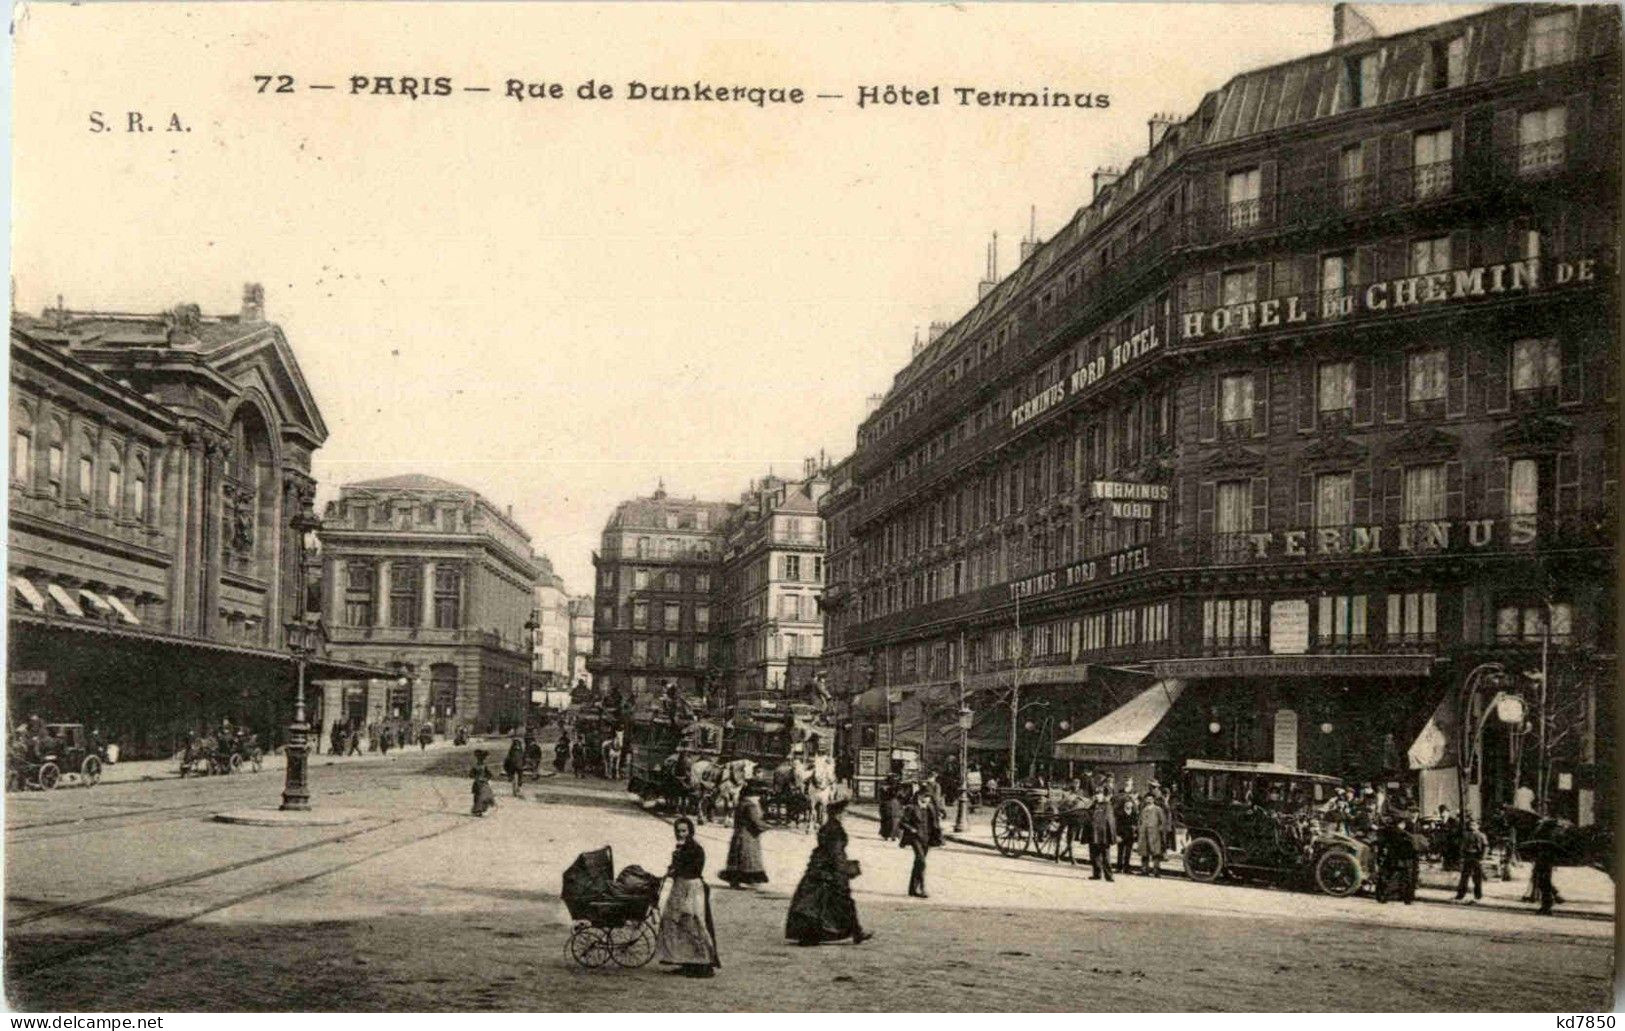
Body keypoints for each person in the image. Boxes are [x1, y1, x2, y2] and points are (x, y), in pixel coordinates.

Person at [785, 795, 874, 946]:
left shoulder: (827, 827)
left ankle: (853, 932)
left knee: (814, 902)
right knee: (837, 902)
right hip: (829, 870)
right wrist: (843, 870)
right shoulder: (836, 830)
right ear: (838, 814)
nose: (845, 815)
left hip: (819, 868)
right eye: (844, 812)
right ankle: (853, 932)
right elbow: (836, 853)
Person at [653, 817, 720, 977]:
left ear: (690, 832)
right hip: (680, 887)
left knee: (692, 922)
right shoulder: (683, 848)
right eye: (678, 831)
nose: (680, 834)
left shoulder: (694, 849)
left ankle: (702, 962)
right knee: (676, 922)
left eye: (684, 831)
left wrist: (676, 870)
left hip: (690, 888)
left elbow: (693, 870)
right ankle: (685, 960)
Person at [720, 782, 769, 889]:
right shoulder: (751, 806)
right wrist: (767, 826)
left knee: (736, 859)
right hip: (748, 836)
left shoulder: (740, 803)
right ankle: (748, 880)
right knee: (747, 859)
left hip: (738, 834)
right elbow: (755, 821)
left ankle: (734, 882)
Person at [898, 786, 932, 898]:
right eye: (925, 796)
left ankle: (913, 889)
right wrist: (911, 829)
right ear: (919, 796)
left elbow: (935, 822)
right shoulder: (911, 808)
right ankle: (922, 889)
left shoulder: (930, 808)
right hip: (915, 838)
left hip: (926, 838)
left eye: (928, 797)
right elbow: (902, 822)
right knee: (921, 861)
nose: (927, 799)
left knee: (918, 863)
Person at [1089, 787, 1116, 881]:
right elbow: (1089, 816)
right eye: (1096, 794)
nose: (1097, 796)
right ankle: (1097, 874)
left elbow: (1109, 820)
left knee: (1105, 856)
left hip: (1103, 835)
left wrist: (1111, 835)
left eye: (1099, 794)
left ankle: (1109, 876)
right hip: (1094, 834)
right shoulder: (1093, 805)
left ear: (1103, 795)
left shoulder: (1107, 805)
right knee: (1094, 855)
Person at [1137, 790, 1167, 877]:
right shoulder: (1143, 809)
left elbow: (1162, 822)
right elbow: (1140, 821)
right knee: (1144, 853)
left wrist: (1159, 831)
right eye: (1147, 799)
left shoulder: (1158, 809)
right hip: (1144, 834)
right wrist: (1140, 829)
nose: (1149, 800)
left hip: (1154, 834)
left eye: (1150, 798)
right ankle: (1144, 870)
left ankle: (1156, 871)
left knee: (1155, 853)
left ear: (1153, 800)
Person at [1113, 778, 1138, 874]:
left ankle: (1127, 867)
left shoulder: (1135, 794)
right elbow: (1116, 811)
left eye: (1129, 783)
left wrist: (1135, 827)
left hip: (1130, 827)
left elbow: (1136, 813)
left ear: (1132, 784)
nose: (1127, 784)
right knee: (1120, 848)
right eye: (1126, 782)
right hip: (1121, 826)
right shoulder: (1120, 795)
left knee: (1129, 849)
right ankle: (1119, 867)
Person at [470, 749, 496, 816]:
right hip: (480, 783)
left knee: (481, 796)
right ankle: (478, 810)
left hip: (480, 783)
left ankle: (479, 810)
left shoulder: (479, 766)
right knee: (481, 796)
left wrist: (484, 778)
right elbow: (471, 775)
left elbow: (471, 774)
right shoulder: (481, 766)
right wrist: (485, 778)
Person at [878, 776, 900, 841]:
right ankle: (892, 835)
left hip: (887, 806)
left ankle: (886, 835)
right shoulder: (888, 788)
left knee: (888, 820)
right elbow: (893, 795)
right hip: (890, 805)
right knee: (892, 820)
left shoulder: (883, 788)